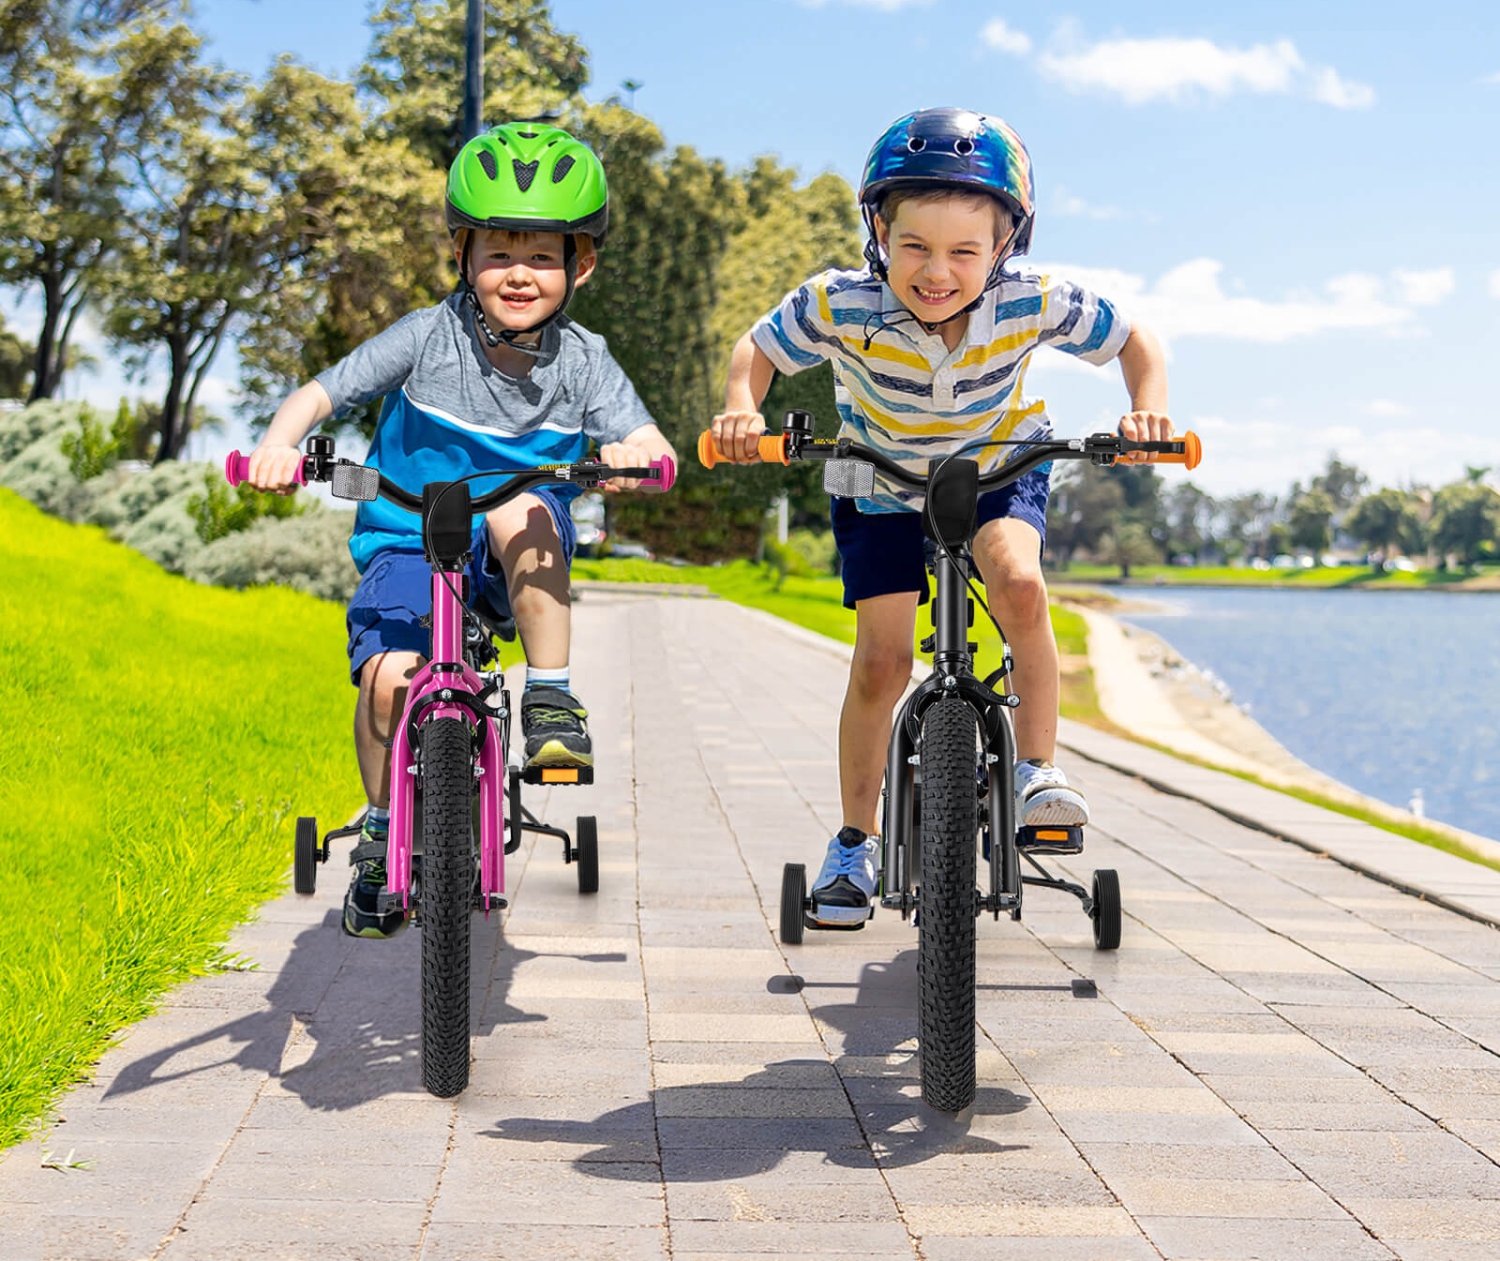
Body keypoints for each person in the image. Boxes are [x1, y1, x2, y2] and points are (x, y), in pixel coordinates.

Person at [710, 107, 1172, 926]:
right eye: (914, 247)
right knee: (882, 661)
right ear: (878, 232)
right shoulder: (840, 302)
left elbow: (1137, 343)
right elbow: (759, 350)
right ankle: (854, 842)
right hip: (879, 480)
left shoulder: (1033, 300)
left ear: (1004, 248)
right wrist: (742, 410)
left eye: (965, 251)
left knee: (1021, 584)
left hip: (995, 469)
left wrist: (1148, 412)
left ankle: (1035, 773)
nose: (937, 271)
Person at [244, 123, 675, 937]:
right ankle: (379, 826)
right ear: (462, 255)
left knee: (520, 509)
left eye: (544, 255)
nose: (520, 273)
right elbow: (325, 391)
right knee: (389, 680)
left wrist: (636, 454)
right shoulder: (426, 335)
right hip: (409, 537)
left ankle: (550, 697)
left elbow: (643, 436)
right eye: (499, 252)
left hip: (512, 558)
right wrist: (278, 442)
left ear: (581, 264)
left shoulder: (586, 360)